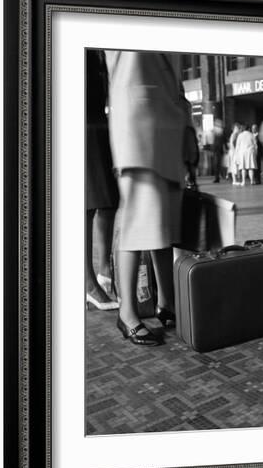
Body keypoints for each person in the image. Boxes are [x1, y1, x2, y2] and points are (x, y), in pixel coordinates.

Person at [106, 50, 197, 346]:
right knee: (138, 220)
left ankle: (167, 303)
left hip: (169, 126)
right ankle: (128, 312)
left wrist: (188, 127)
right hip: (137, 124)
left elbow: (174, 79)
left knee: (164, 223)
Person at [85, 49, 119, 311]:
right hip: (81, 124)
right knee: (86, 206)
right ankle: (87, 283)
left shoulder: (99, 52)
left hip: (101, 123)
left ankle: (105, 273)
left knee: (108, 202)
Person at [211, 118, 225, 183]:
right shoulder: (220, 132)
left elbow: (216, 143)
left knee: (217, 164)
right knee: (218, 164)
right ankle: (219, 176)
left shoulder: (218, 133)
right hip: (218, 151)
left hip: (217, 151)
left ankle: (217, 177)